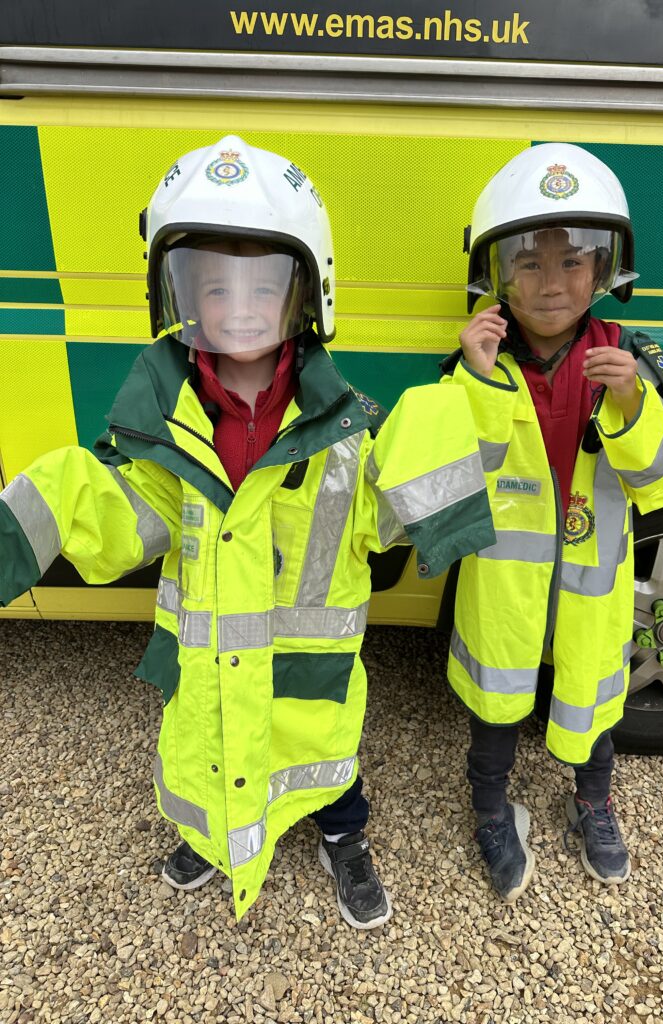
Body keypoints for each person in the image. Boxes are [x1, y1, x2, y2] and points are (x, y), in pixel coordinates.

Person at [0, 136, 494, 927]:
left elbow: (382, 514)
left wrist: (452, 423)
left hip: (313, 673)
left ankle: (345, 839)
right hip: (209, 665)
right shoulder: (164, 425)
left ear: (308, 290)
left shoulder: (347, 431)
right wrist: (44, 509)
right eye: (214, 285)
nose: (239, 307)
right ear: (178, 294)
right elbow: (123, 514)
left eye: (263, 285)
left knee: (330, 772)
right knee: (203, 765)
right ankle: (210, 838)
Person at [441, 143, 663, 900]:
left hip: (592, 581)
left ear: (603, 270)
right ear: (496, 275)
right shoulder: (473, 363)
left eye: (571, 263)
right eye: (528, 264)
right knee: (495, 699)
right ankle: (491, 808)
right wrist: (476, 381)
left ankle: (594, 800)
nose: (551, 284)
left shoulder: (634, 358)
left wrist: (632, 406)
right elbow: (446, 475)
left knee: (591, 693)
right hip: (502, 582)